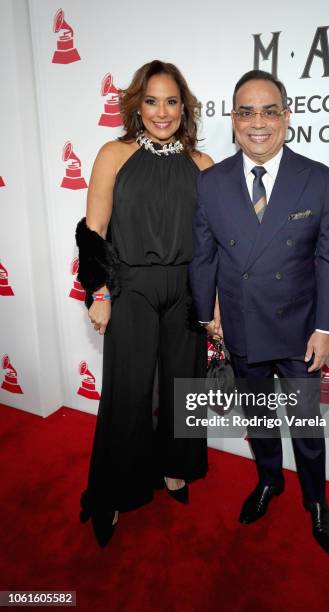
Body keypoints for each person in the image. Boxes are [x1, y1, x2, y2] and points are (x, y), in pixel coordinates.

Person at [189, 70, 329, 554]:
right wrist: (206, 313)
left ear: (286, 116)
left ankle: (316, 501)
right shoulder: (211, 182)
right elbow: (203, 254)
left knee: (305, 425)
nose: (257, 122)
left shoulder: (318, 179)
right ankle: (268, 481)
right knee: (259, 420)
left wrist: (326, 328)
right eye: (246, 111)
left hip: (302, 331)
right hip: (240, 324)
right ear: (233, 119)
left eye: (268, 110)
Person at [75, 60, 213, 547]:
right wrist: (100, 292)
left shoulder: (202, 164)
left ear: (184, 107)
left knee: (183, 386)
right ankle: (113, 490)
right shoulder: (115, 153)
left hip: (187, 290)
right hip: (130, 285)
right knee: (127, 393)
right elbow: (94, 231)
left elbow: (213, 241)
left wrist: (212, 304)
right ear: (137, 104)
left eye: (171, 101)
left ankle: (176, 467)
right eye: (152, 100)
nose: (162, 111)